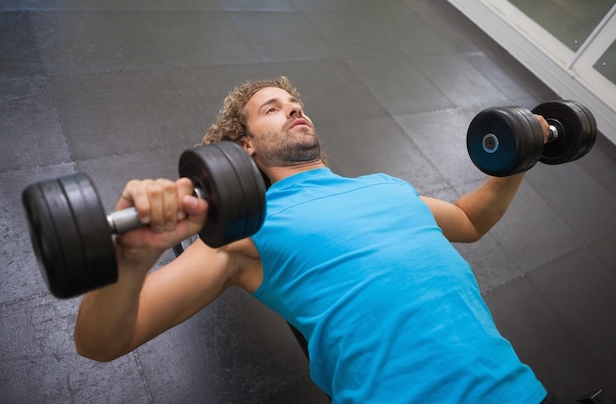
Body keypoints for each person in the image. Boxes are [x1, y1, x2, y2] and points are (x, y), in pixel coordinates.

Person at [74, 76, 575, 404]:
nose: (295, 111)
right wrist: (132, 258)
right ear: (244, 144)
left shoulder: (384, 187)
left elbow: (469, 220)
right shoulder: (243, 229)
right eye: (273, 109)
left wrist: (520, 154)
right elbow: (102, 342)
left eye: (296, 104)